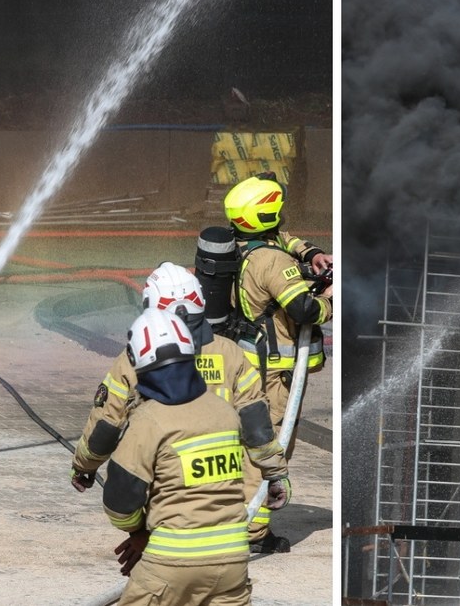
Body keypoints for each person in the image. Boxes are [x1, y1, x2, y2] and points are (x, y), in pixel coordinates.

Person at [101, 309, 291, 606]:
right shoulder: (225, 413)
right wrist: (277, 472)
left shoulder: (148, 420)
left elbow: (120, 500)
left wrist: (138, 531)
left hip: (170, 563)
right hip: (232, 563)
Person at [222, 172, 332, 441]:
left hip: (247, 355)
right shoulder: (273, 261)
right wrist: (330, 299)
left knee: (249, 428)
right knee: (274, 439)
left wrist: (312, 253)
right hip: (274, 370)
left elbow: (284, 238)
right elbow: (305, 310)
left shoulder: (239, 242)